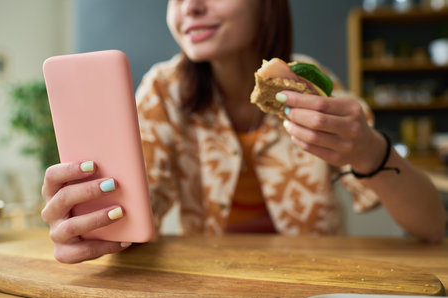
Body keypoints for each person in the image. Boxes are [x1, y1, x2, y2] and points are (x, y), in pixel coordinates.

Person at [41, 0, 446, 264]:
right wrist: (93, 224)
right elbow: (136, 221)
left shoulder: (310, 85)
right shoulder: (162, 92)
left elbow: (432, 227)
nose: (190, 8)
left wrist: (369, 150)